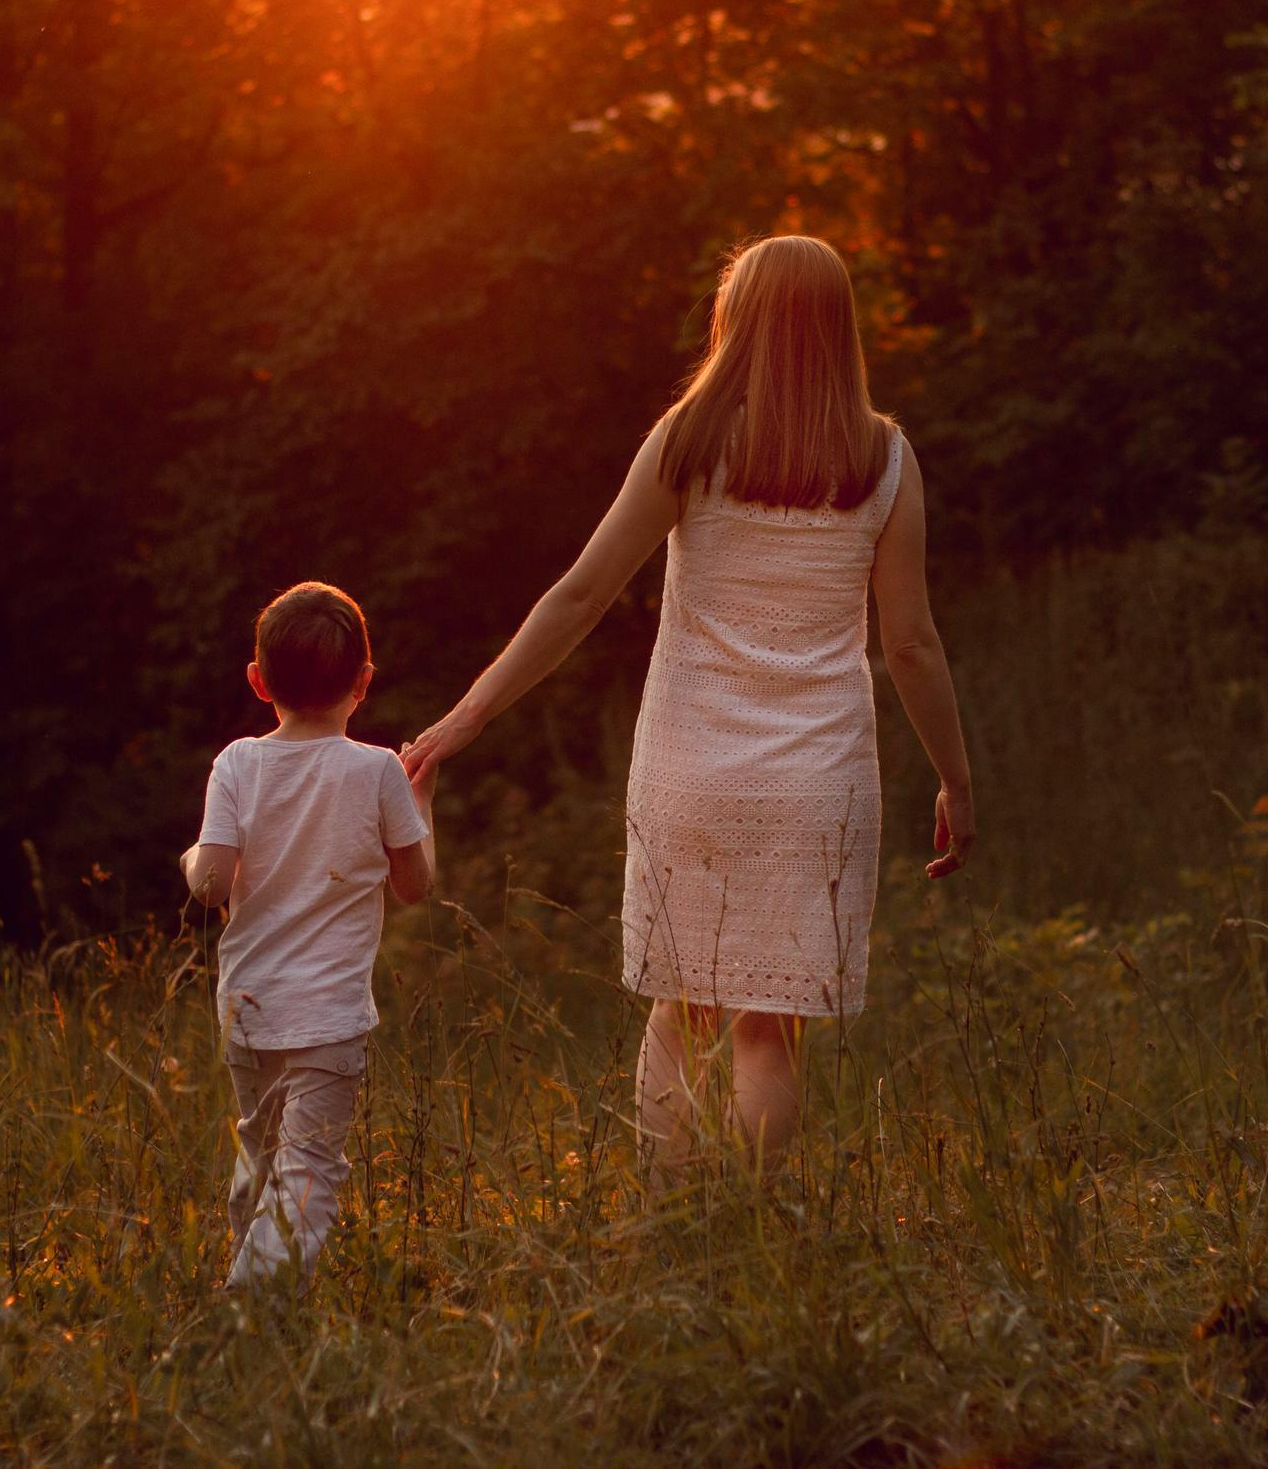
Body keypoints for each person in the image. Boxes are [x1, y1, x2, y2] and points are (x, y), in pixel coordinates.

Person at [399, 233, 975, 1173]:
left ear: (735, 321)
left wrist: (466, 717)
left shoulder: (689, 440)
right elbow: (909, 642)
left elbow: (580, 595)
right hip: (817, 780)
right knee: (769, 1031)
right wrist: (955, 778)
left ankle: (671, 1218)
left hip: (691, 767)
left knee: (682, 1004)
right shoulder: (886, 460)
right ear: (838, 327)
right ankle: (750, 1231)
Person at [180, 582, 435, 1288]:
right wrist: (423, 800)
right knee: (308, 1166)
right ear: (363, 682)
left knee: (262, 1155)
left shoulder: (236, 764)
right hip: (327, 1018)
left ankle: (247, 1278)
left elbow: (210, 883)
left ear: (258, 681)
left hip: (247, 1009)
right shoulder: (381, 770)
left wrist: (190, 858)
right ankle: (252, 1304)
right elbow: (415, 886)